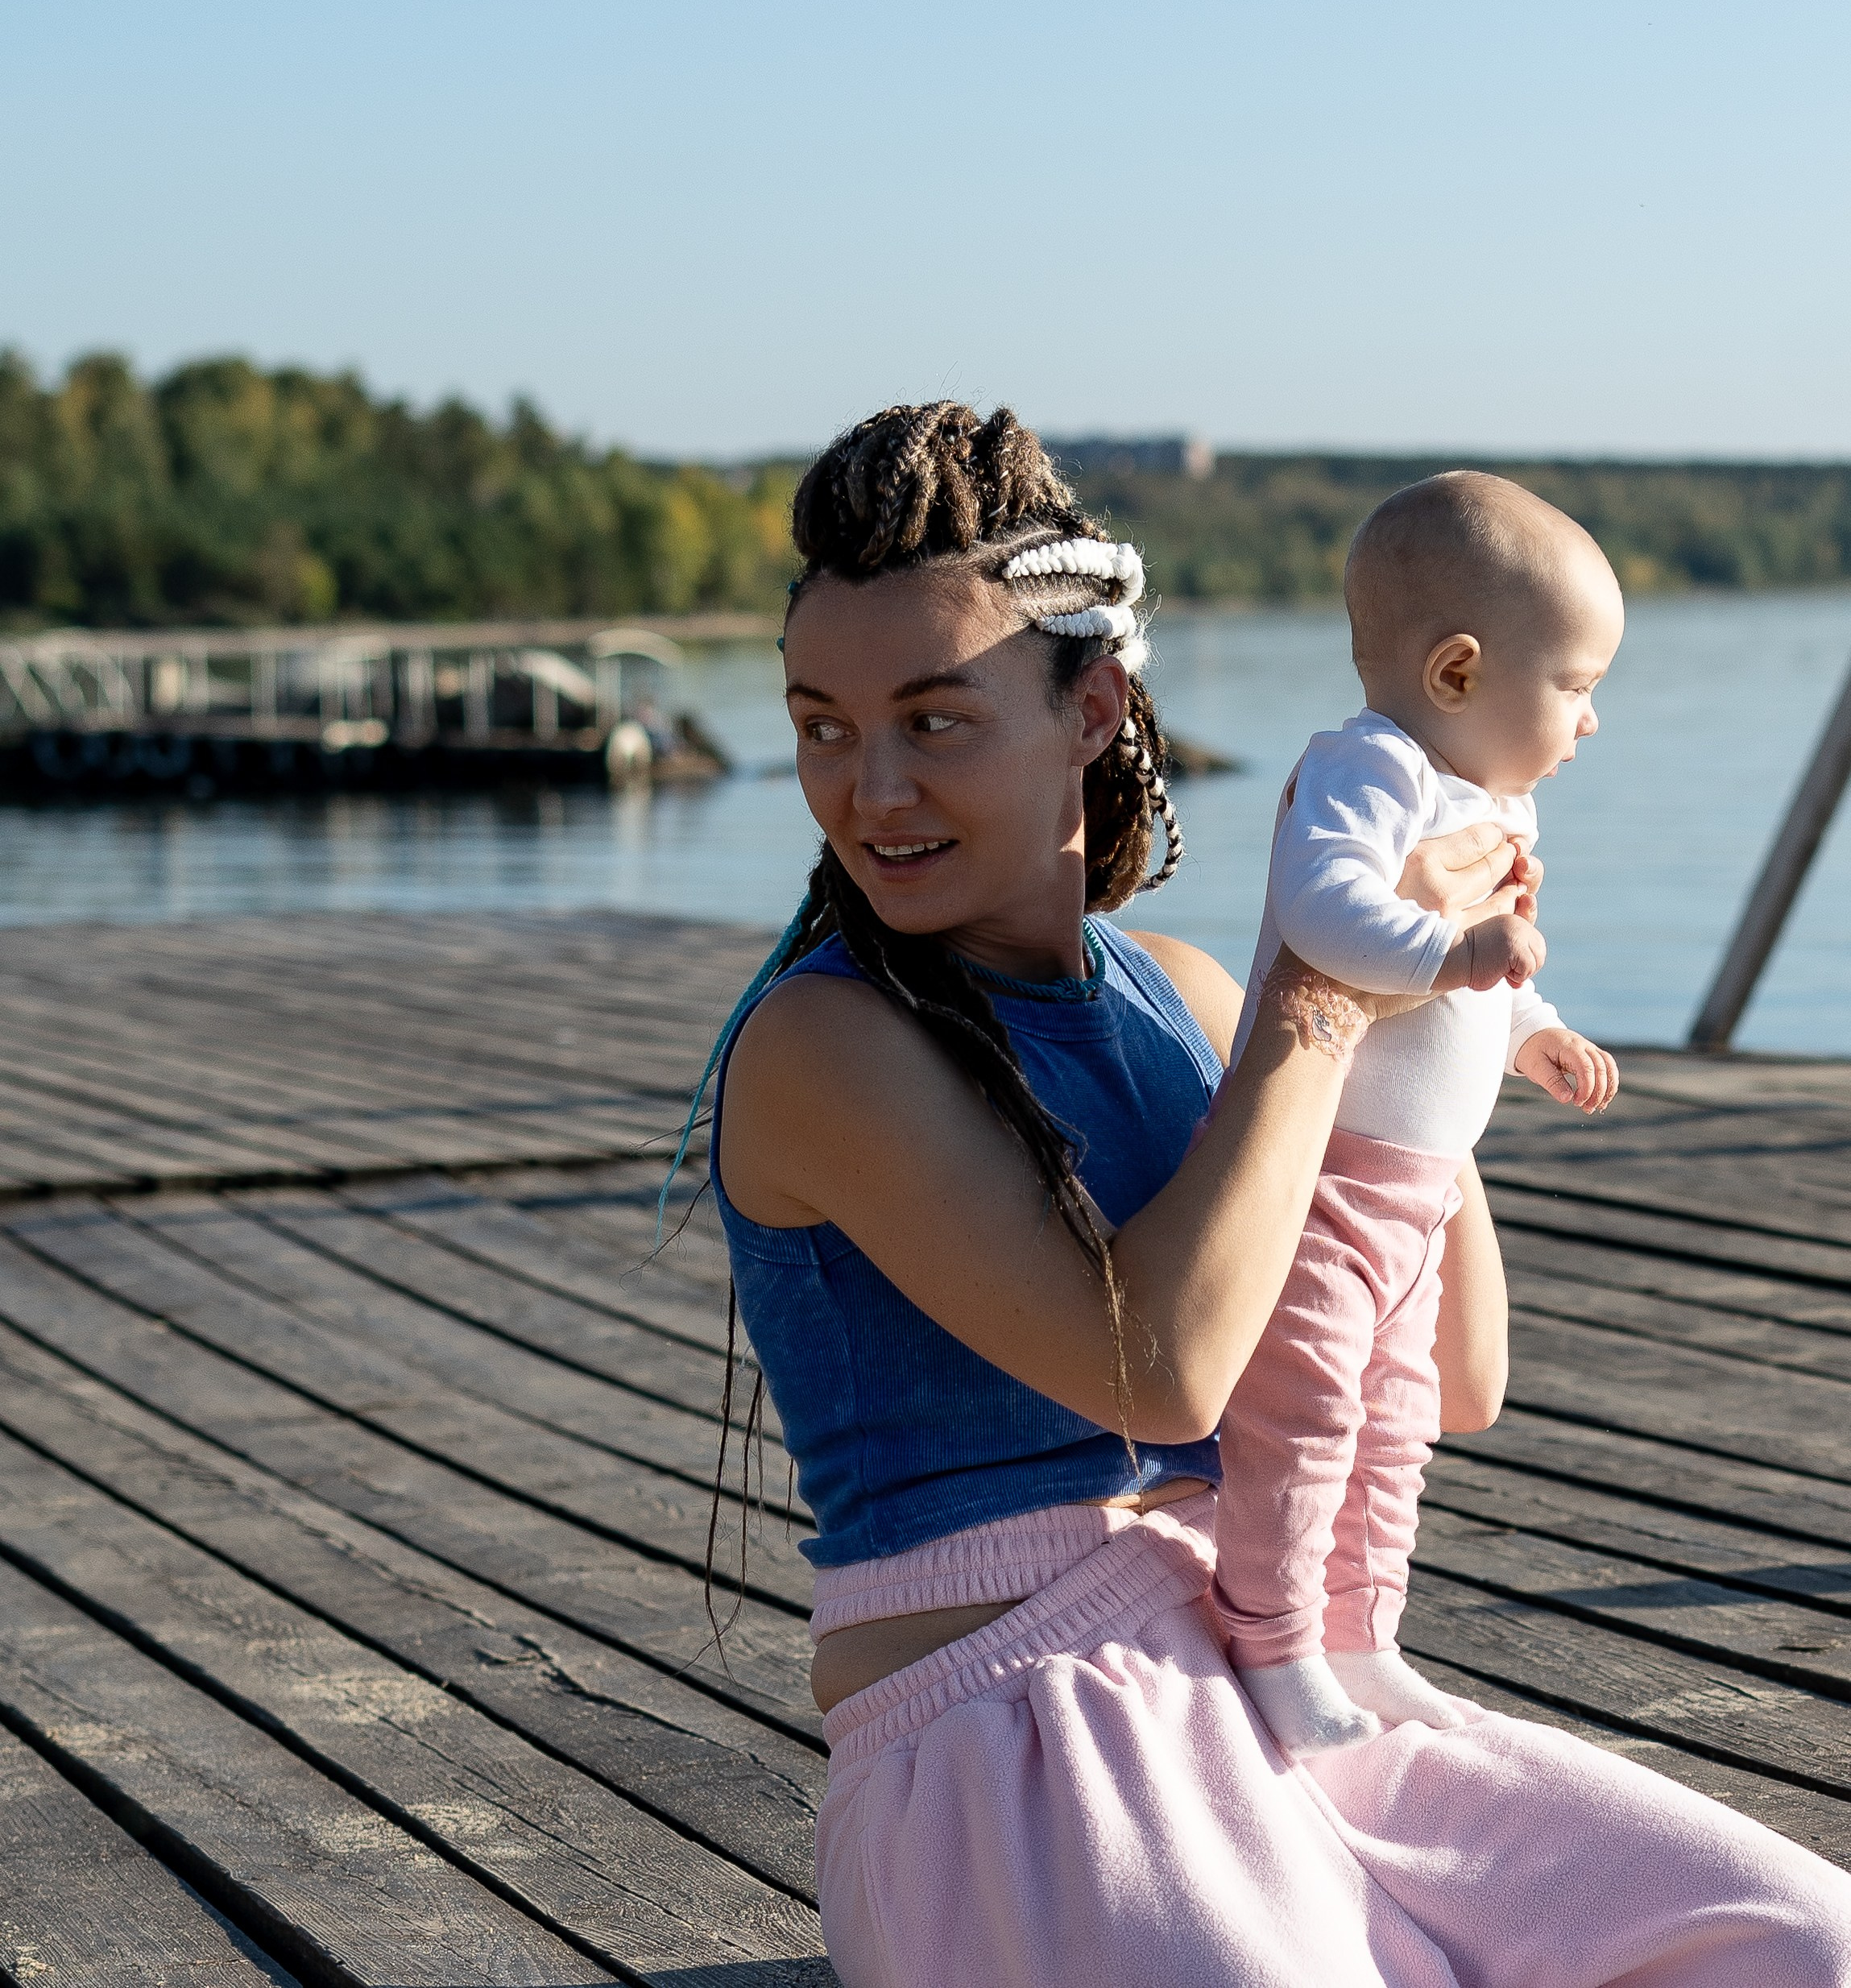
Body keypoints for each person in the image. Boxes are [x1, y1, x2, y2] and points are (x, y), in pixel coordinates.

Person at [707, 400, 1851, 1987]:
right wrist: (1322, 989)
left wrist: (1427, 1017)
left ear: (1093, 703)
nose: (869, 786)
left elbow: (1462, 1373)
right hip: (1016, 1735)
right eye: (822, 722)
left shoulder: (1184, 993)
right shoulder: (824, 1042)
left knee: (1798, 1941)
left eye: (933, 717)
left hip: (1281, 1663)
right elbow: (1163, 1367)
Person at [1214, 471, 1628, 1756]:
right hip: (1327, 1175)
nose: (1590, 722)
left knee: (1392, 1423)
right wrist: (1457, 954)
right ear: (1456, 672)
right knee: (1303, 1411)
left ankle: (1360, 1635)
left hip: (1418, 1193)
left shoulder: (1494, 804)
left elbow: (1472, 981)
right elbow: (1328, 913)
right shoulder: (1367, 765)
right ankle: (1273, 1640)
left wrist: (1530, 1027)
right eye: (1573, 687)